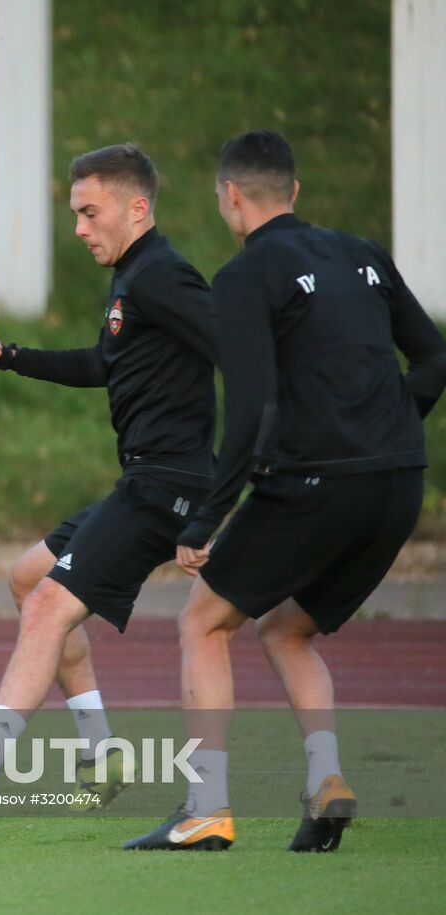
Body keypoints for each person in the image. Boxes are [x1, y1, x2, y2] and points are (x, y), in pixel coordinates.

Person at [125, 130, 446, 852]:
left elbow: (250, 409)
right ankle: (326, 780)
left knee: (203, 623)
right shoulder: (364, 252)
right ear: (294, 192)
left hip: (314, 483)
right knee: (286, 628)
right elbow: (434, 358)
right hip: (398, 483)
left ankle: (206, 810)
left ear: (230, 197)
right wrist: (388, 429)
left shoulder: (243, 275)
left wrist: (206, 518)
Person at [0, 144, 216, 814]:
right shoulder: (134, 276)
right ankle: (102, 754)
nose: (80, 228)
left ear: (137, 207)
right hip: (144, 480)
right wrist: (8, 356)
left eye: (90, 212)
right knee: (29, 577)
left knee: (46, 606)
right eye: (76, 214)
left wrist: (219, 499)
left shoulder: (162, 275)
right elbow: (104, 364)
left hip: (169, 484)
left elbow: (240, 350)